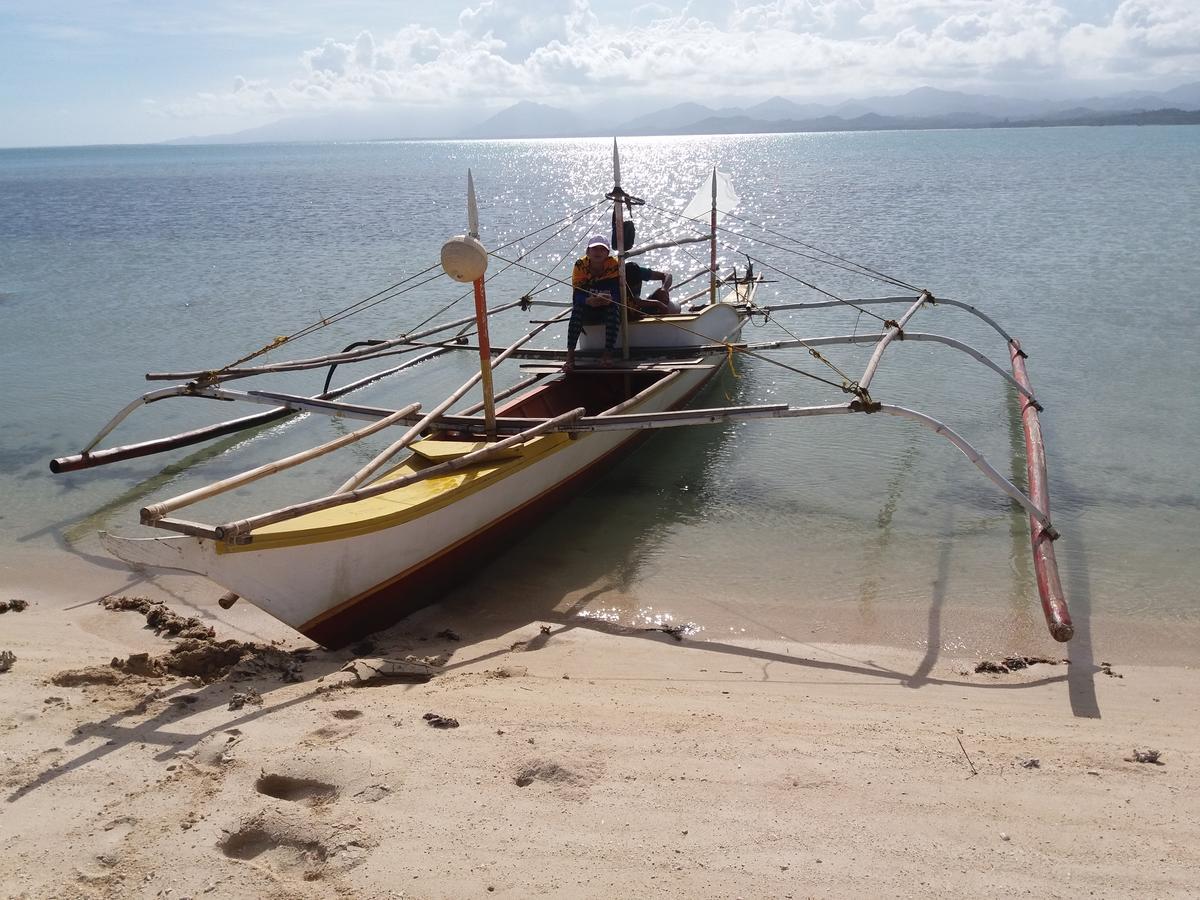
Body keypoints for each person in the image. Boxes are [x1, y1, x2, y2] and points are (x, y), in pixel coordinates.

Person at [564, 234, 621, 370]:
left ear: (607, 253)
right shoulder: (580, 265)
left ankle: (607, 354)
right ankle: (570, 356)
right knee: (577, 311)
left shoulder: (613, 265)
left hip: (606, 305)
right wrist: (587, 301)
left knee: (614, 310)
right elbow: (577, 294)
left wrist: (609, 299)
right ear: (588, 252)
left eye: (602, 249)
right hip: (588, 305)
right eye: (594, 249)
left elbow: (617, 293)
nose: (598, 252)